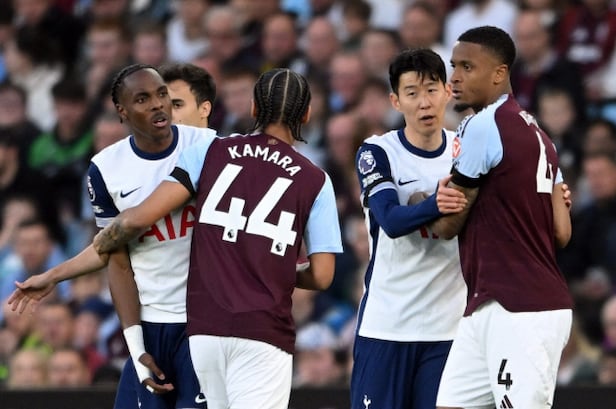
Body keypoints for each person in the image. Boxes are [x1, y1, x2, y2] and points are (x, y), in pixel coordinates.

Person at [90, 68, 343, 409]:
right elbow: (323, 275)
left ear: (254, 108)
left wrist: (88, 253)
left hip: (206, 330)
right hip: (262, 330)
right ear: (307, 115)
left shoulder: (211, 151)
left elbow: (135, 220)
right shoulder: (315, 180)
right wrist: (273, 268)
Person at [9, 63, 217, 409]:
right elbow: (116, 258)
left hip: (204, 322)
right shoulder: (105, 169)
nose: (157, 104)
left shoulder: (207, 147)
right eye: (142, 99)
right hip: (150, 324)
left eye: (162, 94)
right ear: (122, 111)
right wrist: (136, 349)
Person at [430, 26, 574, 409]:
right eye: (453, 66)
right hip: (490, 304)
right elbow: (562, 232)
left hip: (521, 309)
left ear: (499, 73)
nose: (455, 78)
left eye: (467, 67)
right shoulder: (541, 136)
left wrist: (417, 208)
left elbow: (448, 226)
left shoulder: (482, 126)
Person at [350, 48, 467, 409]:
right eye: (412, 93)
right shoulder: (377, 152)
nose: (424, 102)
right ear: (396, 101)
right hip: (387, 325)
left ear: (447, 92)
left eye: (431, 90)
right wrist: (437, 204)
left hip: (449, 329)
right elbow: (390, 220)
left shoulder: (467, 152)